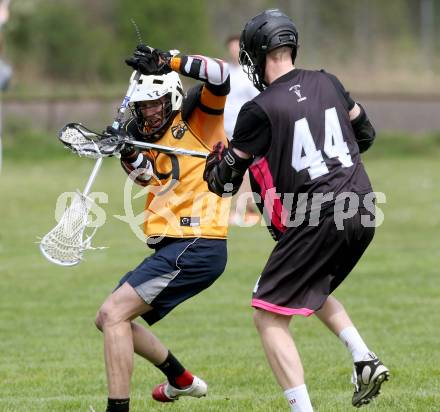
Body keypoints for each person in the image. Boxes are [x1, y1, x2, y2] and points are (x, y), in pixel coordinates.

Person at [204, 9, 389, 411]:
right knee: (310, 283)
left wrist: (216, 164)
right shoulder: (328, 81)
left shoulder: (260, 108)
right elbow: (366, 133)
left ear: (255, 54)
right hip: (363, 207)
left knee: (267, 314)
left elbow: (225, 182)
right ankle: (363, 358)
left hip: (318, 215)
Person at [94, 44, 231, 412]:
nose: (150, 112)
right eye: (143, 106)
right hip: (175, 245)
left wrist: (168, 60)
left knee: (114, 314)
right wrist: (126, 151)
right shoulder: (148, 138)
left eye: (156, 103)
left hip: (198, 241)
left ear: (171, 97)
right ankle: (181, 380)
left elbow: (221, 75)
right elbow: (150, 178)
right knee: (107, 319)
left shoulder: (200, 118)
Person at [224, 34, 259, 226]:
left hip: (243, 132)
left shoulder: (250, 73)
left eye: (237, 47)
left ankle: (242, 210)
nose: (234, 50)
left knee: (243, 171)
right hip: (223, 130)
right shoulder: (225, 71)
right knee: (222, 170)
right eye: (231, 47)